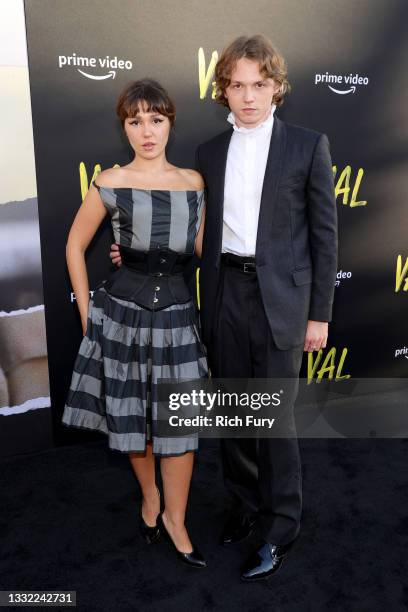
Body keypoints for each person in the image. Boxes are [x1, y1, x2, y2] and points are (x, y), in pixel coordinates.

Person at [111, 34, 338, 581]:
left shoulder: (308, 145)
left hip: (282, 301)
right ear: (224, 92)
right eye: (237, 86)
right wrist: (138, 251)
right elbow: (194, 232)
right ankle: (243, 505)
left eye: (259, 85)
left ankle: (282, 526)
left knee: (275, 421)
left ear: (277, 89)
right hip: (223, 294)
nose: (249, 96)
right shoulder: (208, 154)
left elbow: (325, 238)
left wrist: (319, 314)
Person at [62, 78, 208, 568]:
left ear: (170, 123)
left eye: (156, 120)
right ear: (124, 126)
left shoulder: (194, 183)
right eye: (135, 121)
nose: (147, 131)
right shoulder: (109, 180)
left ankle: (177, 519)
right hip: (122, 319)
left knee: (179, 424)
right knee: (137, 423)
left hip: (178, 320)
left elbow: (204, 252)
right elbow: (74, 247)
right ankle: (150, 499)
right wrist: (87, 313)